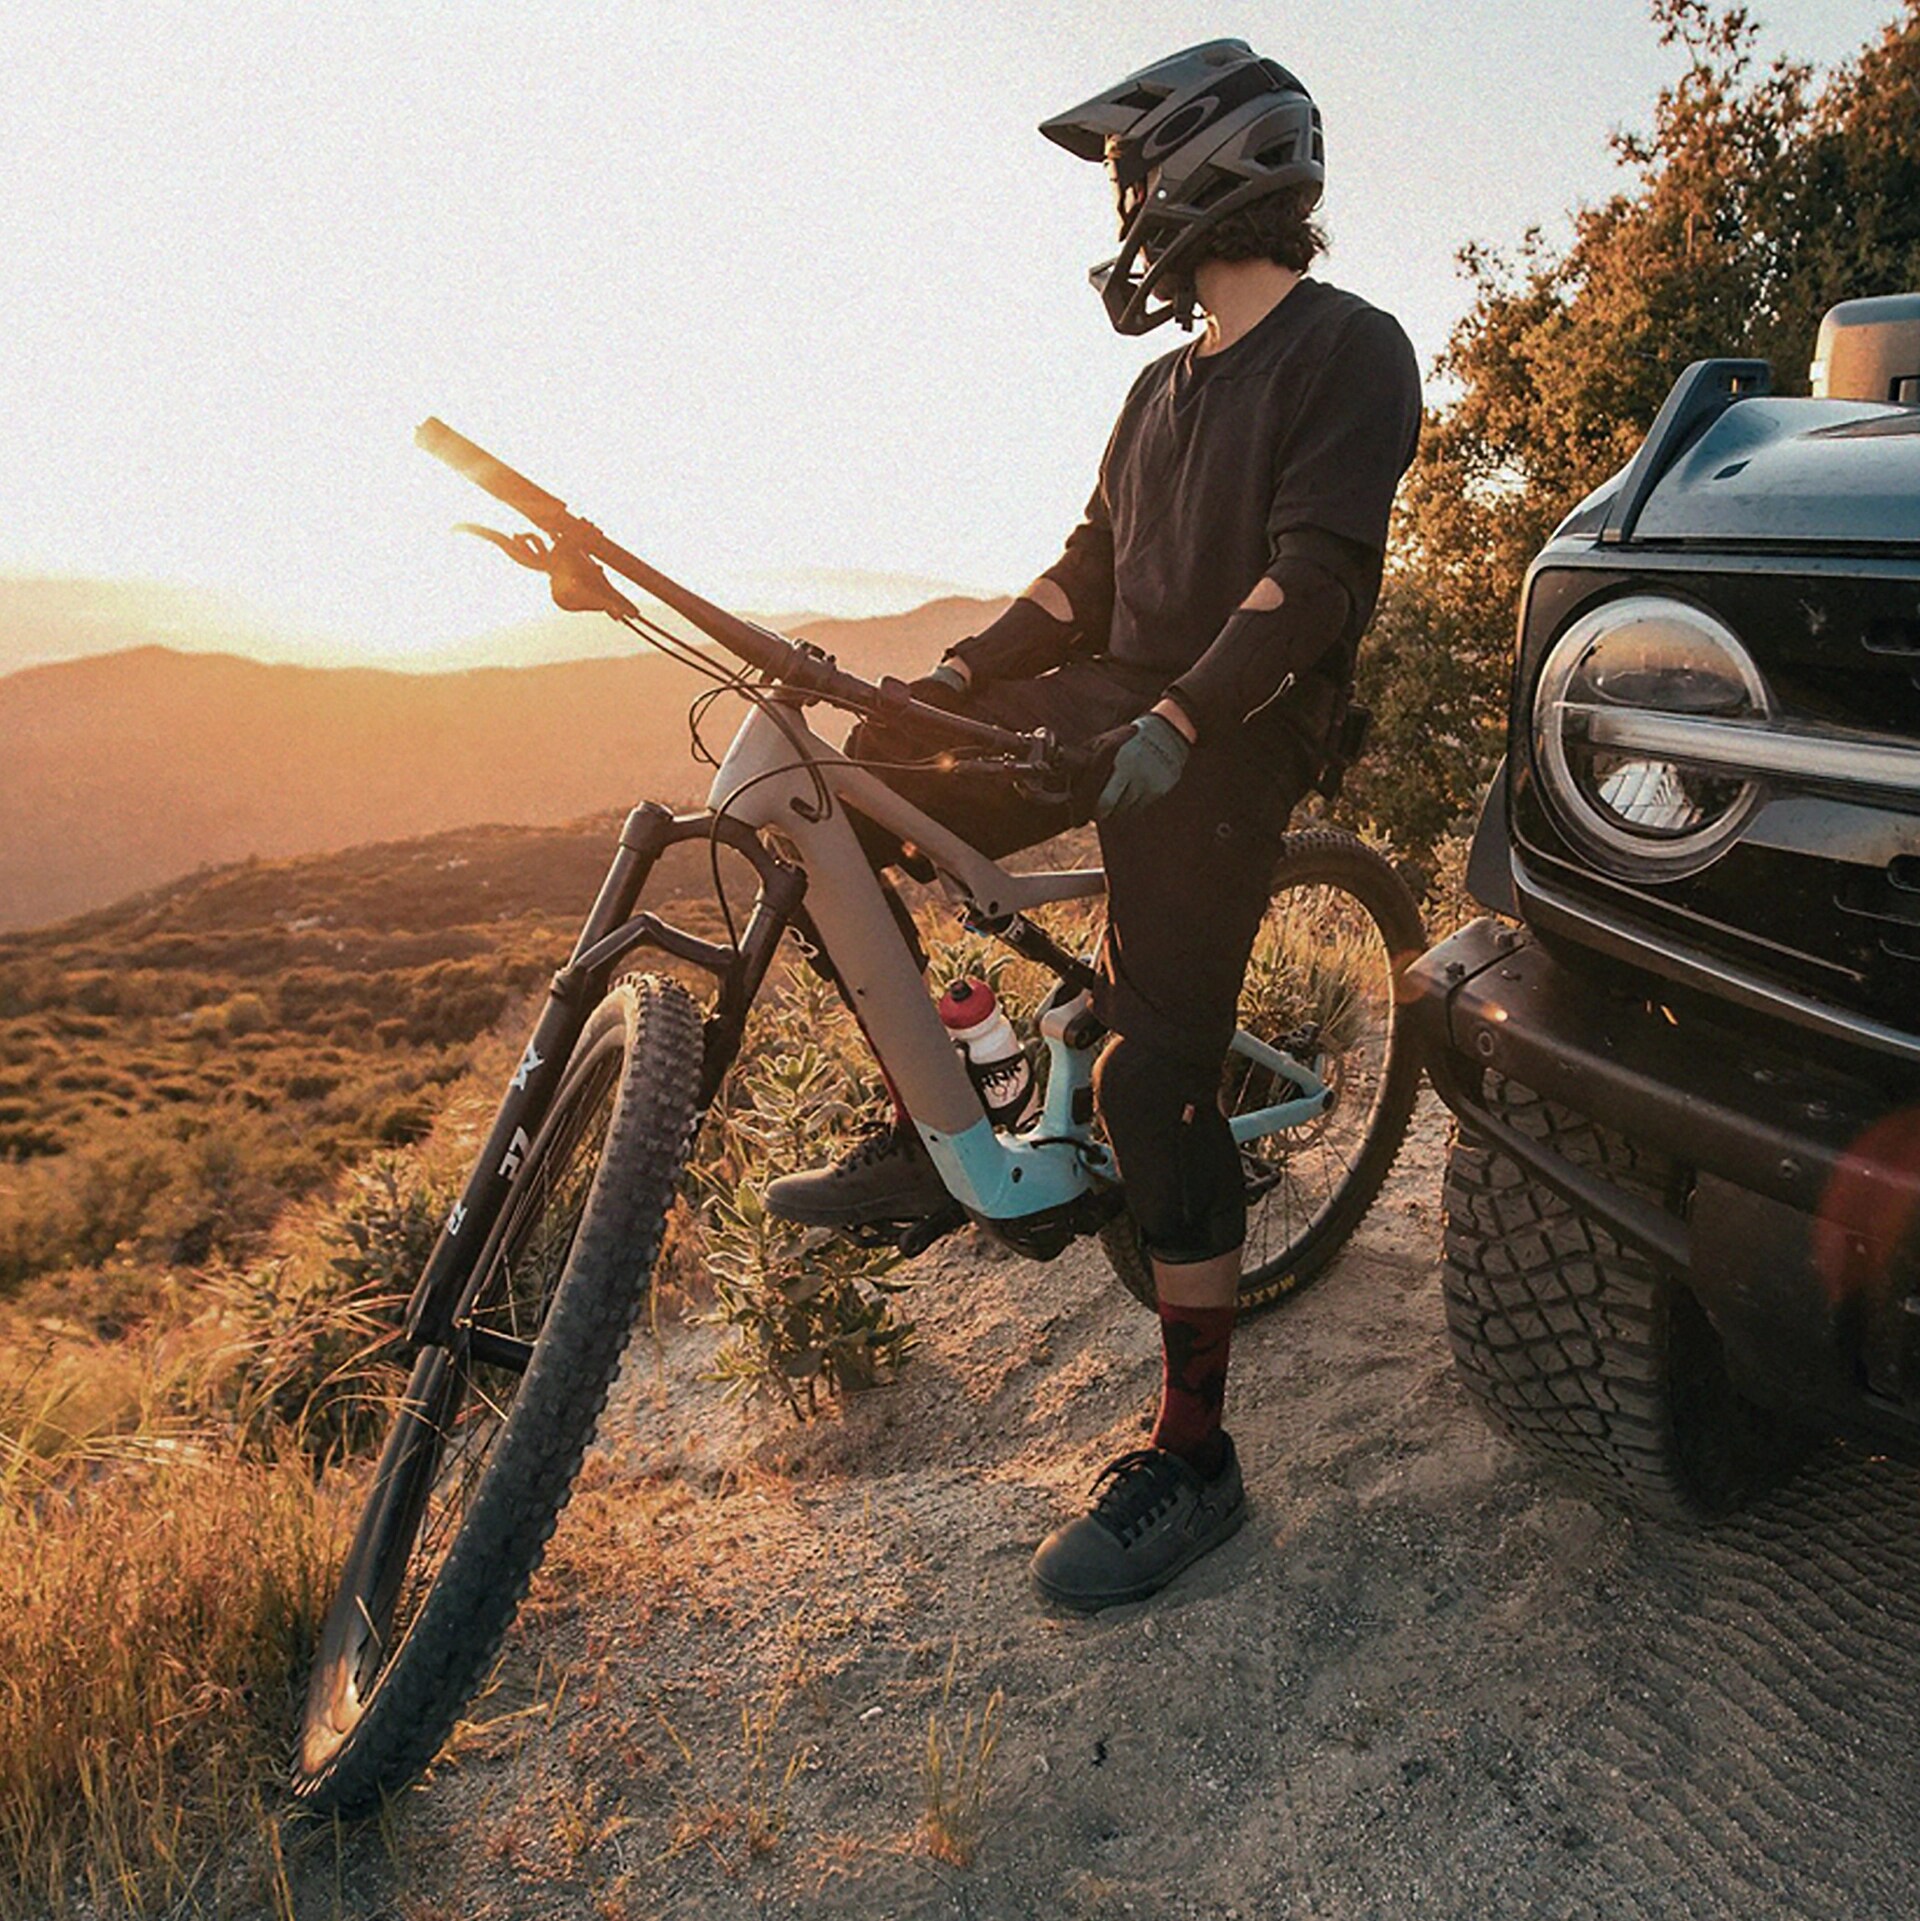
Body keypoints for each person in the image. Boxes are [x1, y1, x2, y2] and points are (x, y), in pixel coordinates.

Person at [768, 40, 1422, 1611]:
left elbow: (1312, 580)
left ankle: (1196, 1455)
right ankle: (961, 1096)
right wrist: (957, 677)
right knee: (855, 791)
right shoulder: (1158, 387)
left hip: (1237, 734)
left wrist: (1185, 722)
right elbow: (1083, 572)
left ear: (1207, 171)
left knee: (1151, 1080)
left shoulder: (1351, 350)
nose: (1126, 210)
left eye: (1135, 174)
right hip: (1120, 693)